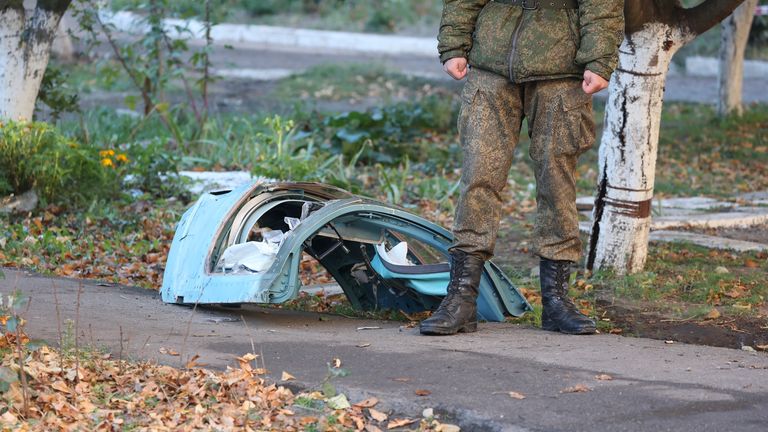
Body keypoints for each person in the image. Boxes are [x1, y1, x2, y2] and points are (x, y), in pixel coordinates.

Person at [420, 0, 625, 336]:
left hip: (562, 67)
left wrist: (599, 58)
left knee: (556, 182)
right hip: (491, 63)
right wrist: (455, 43)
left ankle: (557, 302)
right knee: (478, 178)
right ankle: (461, 300)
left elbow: (601, 4)